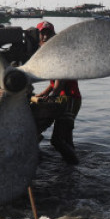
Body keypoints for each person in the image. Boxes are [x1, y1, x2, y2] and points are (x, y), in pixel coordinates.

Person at [33, 21, 82, 164]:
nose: (45, 36)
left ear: (54, 34)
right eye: (43, 33)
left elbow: (61, 78)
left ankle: (74, 165)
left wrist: (53, 95)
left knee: (57, 140)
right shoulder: (51, 52)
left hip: (69, 98)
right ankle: (72, 168)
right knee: (66, 138)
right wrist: (44, 93)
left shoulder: (59, 52)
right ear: (38, 35)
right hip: (65, 98)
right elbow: (54, 82)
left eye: (48, 33)